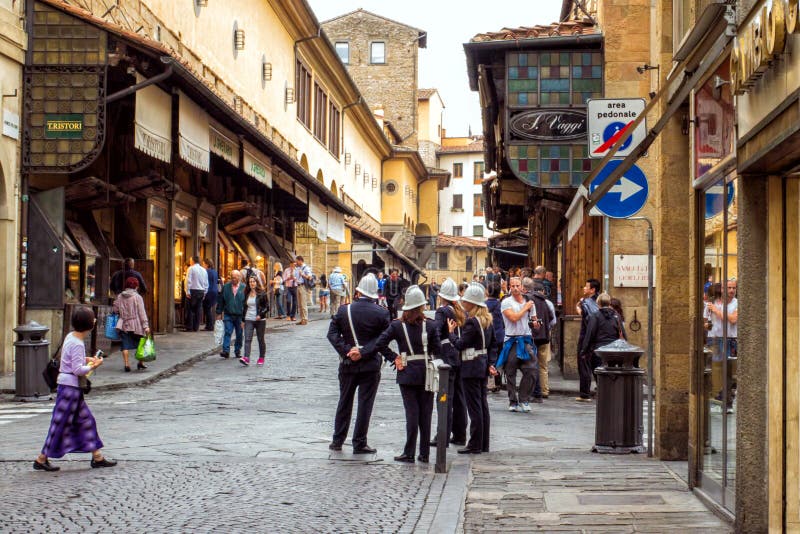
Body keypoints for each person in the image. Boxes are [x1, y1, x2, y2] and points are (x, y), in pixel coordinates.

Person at [34, 306, 116, 472]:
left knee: (86, 421)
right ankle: (41, 459)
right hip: (69, 389)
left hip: (70, 388)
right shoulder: (78, 343)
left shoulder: (70, 336)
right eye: (93, 319)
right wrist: (94, 365)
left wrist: (87, 359)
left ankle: (97, 457)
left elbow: (70, 358)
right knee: (59, 424)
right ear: (89, 324)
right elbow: (78, 370)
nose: (95, 320)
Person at [374, 285, 441, 463]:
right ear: (422, 306)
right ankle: (424, 453)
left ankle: (409, 452)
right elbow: (438, 349)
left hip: (407, 372)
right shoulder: (431, 325)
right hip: (426, 372)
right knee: (426, 414)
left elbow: (380, 344)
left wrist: (394, 357)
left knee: (411, 414)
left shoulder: (397, 325)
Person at [327, 273, 391, 454]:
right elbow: (383, 339)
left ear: (358, 291)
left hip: (347, 363)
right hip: (370, 364)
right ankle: (359, 442)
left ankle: (337, 440)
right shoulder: (382, 313)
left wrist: (348, 350)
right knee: (365, 404)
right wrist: (363, 352)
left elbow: (332, 335)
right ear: (375, 293)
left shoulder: (343, 310)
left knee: (344, 401)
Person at [446, 283, 497, 454]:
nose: (463, 303)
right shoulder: (487, 321)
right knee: (482, 405)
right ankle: (484, 443)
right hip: (482, 364)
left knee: (474, 407)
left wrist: (451, 333)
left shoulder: (471, 323)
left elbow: (460, 344)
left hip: (470, 366)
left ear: (472, 304)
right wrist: (491, 363)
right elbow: (493, 344)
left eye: (466, 301)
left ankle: (475, 444)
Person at [430, 278, 466, 448]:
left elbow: (435, 331)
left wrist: (435, 350)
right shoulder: (460, 311)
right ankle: (459, 434)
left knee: (444, 398)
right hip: (458, 356)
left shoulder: (442, 311)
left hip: (446, 356)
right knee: (459, 397)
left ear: (441, 296)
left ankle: (442, 435)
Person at [495, 277, 539, 413]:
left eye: (517, 285)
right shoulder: (506, 302)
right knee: (510, 372)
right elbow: (513, 318)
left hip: (525, 339)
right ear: (509, 287)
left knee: (531, 370)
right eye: (512, 286)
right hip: (511, 340)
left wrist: (536, 324)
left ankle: (524, 399)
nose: (515, 288)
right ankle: (513, 401)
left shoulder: (530, 302)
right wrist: (525, 308)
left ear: (522, 287)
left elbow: (534, 320)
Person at [580, 293, 627, 385]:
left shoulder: (595, 316)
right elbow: (623, 334)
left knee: (599, 377)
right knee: (612, 376)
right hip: (614, 351)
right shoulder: (617, 316)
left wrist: (584, 351)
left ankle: (603, 391)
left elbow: (590, 334)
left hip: (599, 351)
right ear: (609, 303)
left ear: (598, 303)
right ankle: (611, 391)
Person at [523, 278, 553, 401]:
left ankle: (536, 392)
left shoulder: (528, 299)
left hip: (533, 336)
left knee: (531, 365)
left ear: (524, 288)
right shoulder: (544, 301)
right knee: (543, 365)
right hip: (544, 336)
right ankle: (544, 390)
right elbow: (551, 317)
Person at [113, 277, 150, 372]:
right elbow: (142, 312)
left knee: (125, 344)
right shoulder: (137, 297)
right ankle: (140, 363)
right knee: (142, 343)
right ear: (136, 286)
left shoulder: (120, 296)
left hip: (123, 324)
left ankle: (127, 364)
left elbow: (115, 309)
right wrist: (145, 326)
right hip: (136, 325)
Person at [576, 278, 601, 401]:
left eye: (586, 287)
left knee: (584, 364)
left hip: (586, 337)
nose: (584, 288)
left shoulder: (585, 302)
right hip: (598, 338)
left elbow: (587, 319)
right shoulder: (600, 301)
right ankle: (603, 390)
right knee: (597, 365)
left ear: (592, 290)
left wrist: (579, 310)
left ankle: (585, 393)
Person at [217, 269, 245, 359]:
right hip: (228, 314)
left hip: (240, 315)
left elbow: (246, 303)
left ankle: (237, 350)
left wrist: (245, 316)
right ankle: (226, 351)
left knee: (239, 334)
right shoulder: (226, 287)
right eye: (232, 277)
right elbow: (221, 300)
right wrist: (219, 312)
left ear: (239, 278)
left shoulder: (244, 287)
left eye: (235, 278)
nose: (233, 279)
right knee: (227, 332)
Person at [240, 275, 268, 367]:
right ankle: (246, 358)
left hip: (260, 320)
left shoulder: (262, 293)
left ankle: (261, 357)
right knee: (247, 339)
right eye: (250, 282)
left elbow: (267, 307)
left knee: (260, 339)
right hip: (249, 319)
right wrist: (243, 320)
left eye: (253, 281)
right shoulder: (246, 293)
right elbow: (244, 308)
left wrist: (260, 315)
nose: (252, 283)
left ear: (256, 282)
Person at [485, 281, 505, 393]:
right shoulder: (501, 305)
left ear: (488, 292)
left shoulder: (484, 305)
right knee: (498, 360)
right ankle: (497, 382)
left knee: (488, 358)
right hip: (499, 336)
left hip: (488, 336)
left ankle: (488, 382)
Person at [184, 255, 208, 332]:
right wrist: (205, 292)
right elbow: (206, 282)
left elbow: (188, 280)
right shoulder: (203, 270)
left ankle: (189, 327)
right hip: (201, 291)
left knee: (190, 309)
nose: (190, 262)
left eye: (190, 260)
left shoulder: (191, 268)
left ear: (193, 261)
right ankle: (196, 327)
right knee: (198, 309)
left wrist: (187, 291)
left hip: (193, 290)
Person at [294, 255, 313, 325]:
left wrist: (302, 275)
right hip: (298, 286)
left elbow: (310, 277)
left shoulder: (306, 268)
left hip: (303, 287)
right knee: (299, 304)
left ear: (300, 261)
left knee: (303, 304)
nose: (296, 262)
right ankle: (302, 319)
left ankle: (305, 319)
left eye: (297, 261)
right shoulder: (297, 268)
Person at [203, 259, 219, 331]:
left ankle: (210, 326)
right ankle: (209, 325)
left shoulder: (206, 272)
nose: (203, 265)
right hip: (214, 291)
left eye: (203, 264)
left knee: (207, 309)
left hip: (209, 291)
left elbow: (205, 282)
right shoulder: (215, 272)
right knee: (209, 309)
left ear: (207, 264)